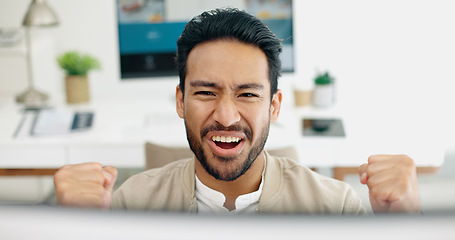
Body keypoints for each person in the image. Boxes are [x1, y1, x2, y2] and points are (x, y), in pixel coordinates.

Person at [54, 8, 421, 214]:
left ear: (274, 106)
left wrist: (406, 223)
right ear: (180, 101)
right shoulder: (130, 205)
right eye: (205, 92)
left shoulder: (334, 207)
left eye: (247, 94)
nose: (226, 116)